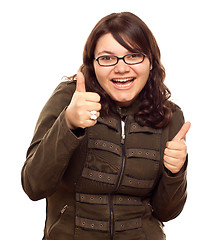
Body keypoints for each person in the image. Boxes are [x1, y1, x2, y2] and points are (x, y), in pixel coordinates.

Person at [21, 12, 190, 240]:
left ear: (151, 62)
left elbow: (166, 212)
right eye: (107, 58)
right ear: (92, 64)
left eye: (134, 56)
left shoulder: (169, 116)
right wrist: (68, 124)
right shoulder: (69, 99)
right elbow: (34, 185)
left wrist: (175, 172)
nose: (121, 68)